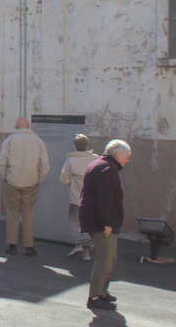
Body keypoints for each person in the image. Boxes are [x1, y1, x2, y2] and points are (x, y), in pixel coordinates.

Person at [80, 139, 131, 311]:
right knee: (105, 258)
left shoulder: (99, 164)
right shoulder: (109, 169)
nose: (128, 160)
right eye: (127, 156)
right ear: (118, 155)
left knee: (111, 257)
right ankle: (94, 296)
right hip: (101, 221)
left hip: (96, 218)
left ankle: (101, 291)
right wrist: (107, 223)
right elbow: (104, 199)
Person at [0, 117, 50, 256]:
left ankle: (12, 245)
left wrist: (4, 178)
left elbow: (1, 163)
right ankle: (29, 247)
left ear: (15, 127)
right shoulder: (38, 141)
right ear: (28, 126)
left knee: (13, 214)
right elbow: (45, 164)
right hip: (31, 182)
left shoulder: (9, 140)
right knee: (28, 215)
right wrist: (39, 179)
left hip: (13, 181)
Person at [60, 133, 97, 260]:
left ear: (75, 146)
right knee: (87, 224)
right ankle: (86, 253)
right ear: (87, 146)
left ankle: (80, 243)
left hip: (76, 198)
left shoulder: (70, 161)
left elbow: (64, 180)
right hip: (92, 198)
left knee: (74, 222)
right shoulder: (95, 159)